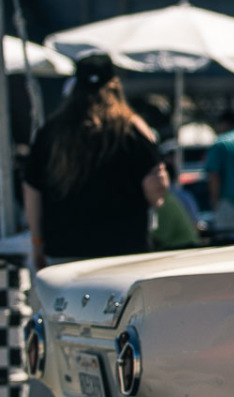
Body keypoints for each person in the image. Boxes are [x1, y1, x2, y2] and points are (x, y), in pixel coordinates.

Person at [22, 52, 168, 267]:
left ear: (75, 87)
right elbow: (157, 183)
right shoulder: (132, 128)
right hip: (123, 249)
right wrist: (155, 201)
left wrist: (37, 242)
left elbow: (32, 190)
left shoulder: (51, 131)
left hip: (65, 250)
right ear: (115, 85)